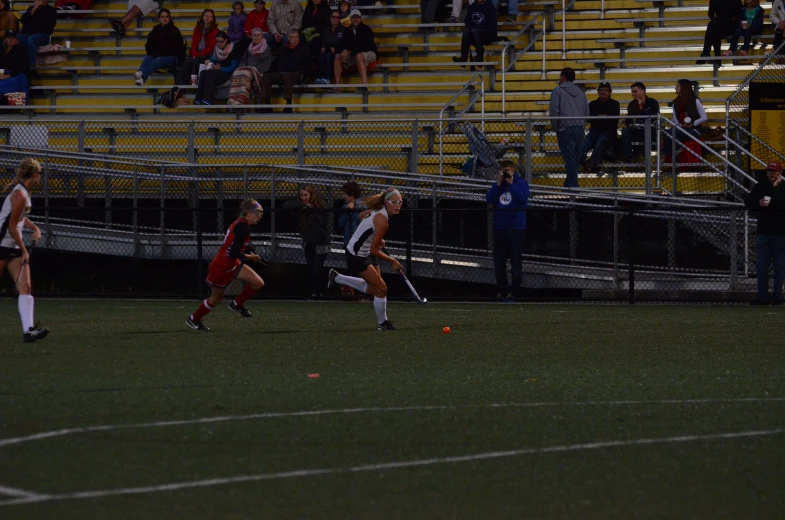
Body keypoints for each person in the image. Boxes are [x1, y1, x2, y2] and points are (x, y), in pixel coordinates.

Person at [328, 187, 404, 330]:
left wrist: (374, 235)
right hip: (356, 255)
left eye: (400, 202)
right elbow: (374, 250)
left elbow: (361, 215)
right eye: (394, 202)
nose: (398, 205)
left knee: (374, 289)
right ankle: (382, 324)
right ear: (386, 203)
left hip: (362, 252)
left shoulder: (378, 212)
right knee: (381, 288)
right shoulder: (383, 221)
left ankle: (337, 278)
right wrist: (392, 260)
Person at [187, 199, 266, 331]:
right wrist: (249, 256)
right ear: (248, 213)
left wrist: (249, 251)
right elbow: (234, 252)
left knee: (258, 283)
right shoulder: (243, 227)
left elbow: (238, 245)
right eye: (257, 213)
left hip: (232, 263)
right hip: (222, 266)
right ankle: (194, 319)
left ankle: (237, 304)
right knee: (216, 299)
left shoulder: (242, 225)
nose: (259, 216)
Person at [0, 158, 49, 342]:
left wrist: (34, 228)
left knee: (25, 287)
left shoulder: (25, 193)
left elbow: (20, 218)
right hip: (3, 243)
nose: (40, 178)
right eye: (40, 174)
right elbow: (12, 226)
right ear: (35, 175)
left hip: (12, 244)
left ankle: (28, 331)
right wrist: (24, 249)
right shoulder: (20, 194)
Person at [485, 160, 529, 298]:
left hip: (516, 229)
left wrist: (511, 183)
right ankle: (502, 289)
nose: (505, 172)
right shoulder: (498, 186)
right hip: (500, 228)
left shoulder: (521, 183)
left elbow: (523, 199)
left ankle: (515, 291)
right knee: (499, 262)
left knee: (515, 261)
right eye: (503, 169)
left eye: (508, 169)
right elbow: (489, 199)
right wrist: (498, 184)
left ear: (513, 170)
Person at [744, 162, 785, 303]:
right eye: (769, 171)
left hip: (780, 232)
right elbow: (748, 202)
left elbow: (780, 202)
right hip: (764, 232)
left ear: (780, 172)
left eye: (774, 171)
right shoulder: (760, 186)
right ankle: (763, 296)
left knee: (780, 266)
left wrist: (774, 189)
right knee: (762, 266)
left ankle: (778, 296)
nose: (771, 174)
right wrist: (758, 203)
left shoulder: (782, 187)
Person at [283, 184, 332, 297]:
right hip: (308, 241)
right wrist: (302, 205)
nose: (303, 197)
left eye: (306, 195)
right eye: (301, 195)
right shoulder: (301, 205)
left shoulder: (320, 204)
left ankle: (322, 291)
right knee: (310, 267)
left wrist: (311, 209)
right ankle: (314, 292)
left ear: (311, 195)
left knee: (317, 268)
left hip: (321, 241)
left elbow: (321, 221)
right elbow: (286, 205)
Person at [549, 67, 589, 188]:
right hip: (579, 128)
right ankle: (569, 186)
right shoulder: (581, 93)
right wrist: (582, 123)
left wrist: (556, 126)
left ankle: (572, 187)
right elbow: (586, 111)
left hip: (565, 128)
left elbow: (554, 110)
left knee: (570, 159)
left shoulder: (558, 91)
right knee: (575, 159)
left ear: (563, 77)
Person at [259, 29, 310, 112]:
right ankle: (267, 104)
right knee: (266, 76)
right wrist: (268, 72)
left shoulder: (304, 49)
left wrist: (302, 73)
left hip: (297, 74)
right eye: (292, 37)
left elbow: (307, 66)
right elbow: (275, 64)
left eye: (296, 37)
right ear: (288, 39)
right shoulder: (284, 50)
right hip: (281, 73)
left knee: (287, 77)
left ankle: (288, 104)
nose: (294, 39)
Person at [134, 9, 185, 86]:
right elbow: (149, 45)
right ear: (159, 19)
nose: (164, 18)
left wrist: (158, 54)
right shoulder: (155, 30)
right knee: (148, 58)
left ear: (169, 18)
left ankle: (141, 73)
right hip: (158, 55)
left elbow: (175, 49)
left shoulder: (174, 30)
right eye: (162, 17)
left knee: (159, 59)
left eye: (166, 17)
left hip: (171, 57)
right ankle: (142, 79)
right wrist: (152, 54)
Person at [580, 81, 620, 175]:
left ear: (610, 92)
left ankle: (592, 164)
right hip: (594, 131)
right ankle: (587, 164)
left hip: (609, 132)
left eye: (606, 90)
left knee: (600, 144)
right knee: (583, 147)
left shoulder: (615, 104)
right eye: (601, 90)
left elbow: (613, 120)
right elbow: (590, 119)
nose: (603, 92)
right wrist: (605, 116)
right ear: (598, 92)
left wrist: (598, 117)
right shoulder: (592, 104)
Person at [193, 31, 243, 105]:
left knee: (210, 73)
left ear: (226, 40)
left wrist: (221, 68)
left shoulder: (233, 50)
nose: (219, 44)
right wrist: (209, 61)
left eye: (221, 42)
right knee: (203, 72)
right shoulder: (216, 49)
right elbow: (214, 59)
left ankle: (208, 99)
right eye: (217, 41)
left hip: (227, 74)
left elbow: (233, 67)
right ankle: (198, 98)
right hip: (217, 71)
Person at [227, 27, 273, 106]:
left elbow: (266, 65)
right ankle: (233, 97)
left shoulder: (266, 49)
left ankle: (242, 99)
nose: (256, 37)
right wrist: (244, 68)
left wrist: (252, 70)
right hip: (247, 70)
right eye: (254, 35)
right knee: (237, 72)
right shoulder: (249, 48)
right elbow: (243, 60)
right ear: (251, 37)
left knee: (245, 74)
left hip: (259, 72)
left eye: (258, 35)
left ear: (262, 37)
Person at [663, 79, 707, 157]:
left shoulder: (695, 100)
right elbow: (675, 120)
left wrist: (692, 124)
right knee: (667, 132)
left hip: (695, 130)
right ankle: (675, 154)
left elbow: (704, 117)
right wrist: (680, 126)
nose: (675, 88)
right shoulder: (675, 103)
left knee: (671, 132)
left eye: (677, 86)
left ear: (684, 87)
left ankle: (666, 155)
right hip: (681, 129)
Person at [333, 10, 377, 88]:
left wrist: (351, 51)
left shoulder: (366, 29)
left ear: (360, 18)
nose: (355, 19)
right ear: (350, 19)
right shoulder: (347, 30)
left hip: (370, 53)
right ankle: (337, 86)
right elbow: (343, 44)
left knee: (359, 55)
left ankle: (364, 85)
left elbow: (367, 46)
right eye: (353, 17)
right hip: (354, 54)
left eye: (357, 17)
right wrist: (344, 51)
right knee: (338, 56)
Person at [176, 9, 219, 86]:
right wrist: (194, 54)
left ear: (212, 19)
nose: (207, 18)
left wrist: (198, 55)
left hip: (208, 54)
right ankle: (182, 85)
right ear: (202, 17)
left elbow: (211, 47)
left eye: (210, 16)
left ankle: (192, 82)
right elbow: (194, 43)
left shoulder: (215, 31)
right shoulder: (197, 29)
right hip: (196, 53)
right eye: (206, 16)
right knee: (187, 62)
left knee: (196, 61)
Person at [621, 81, 660, 160]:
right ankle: (629, 158)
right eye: (632, 92)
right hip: (637, 130)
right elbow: (628, 121)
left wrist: (641, 109)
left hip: (650, 130)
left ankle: (646, 158)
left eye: (635, 91)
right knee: (625, 130)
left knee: (648, 128)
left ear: (643, 91)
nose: (633, 94)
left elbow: (654, 118)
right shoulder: (631, 104)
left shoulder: (652, 102)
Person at [451, 0, 496, 66]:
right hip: (474, 32)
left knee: (476, 31)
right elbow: (467, 21)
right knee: (467, 31)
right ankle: (463, 58)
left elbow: (492, 24)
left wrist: (478, 28)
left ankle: (480, 56)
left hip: (486, 33)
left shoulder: (490, 7)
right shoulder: (472, 6)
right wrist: (471, 28)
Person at [18, 0, 56, 67]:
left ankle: (31, 65)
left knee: (31, 40)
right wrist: (34, 9)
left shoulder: (51, 10)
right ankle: (17, 64)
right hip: (27, 34)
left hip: (43, 35)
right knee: (16, 38)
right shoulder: (31, 8)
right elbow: (23, 20)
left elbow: (50, 25)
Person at [315, 10, 344, 84]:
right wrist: (324, 47)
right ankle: (321, 77)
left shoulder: (344, 30)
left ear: (340, 19)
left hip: (339, 52)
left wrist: (336, 49)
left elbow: (345, 44)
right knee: (321, 55)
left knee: (329, 56)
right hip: (328, 50)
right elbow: (324, 43)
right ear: (330, 19)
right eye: (333, 17)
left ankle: (327, 78)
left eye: (337, 17)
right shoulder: (326, 30)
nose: (335, 19)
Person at [0, 30, 30, 99]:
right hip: (4, 74)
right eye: (9, 38)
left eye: (13, 38)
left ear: (17, 40)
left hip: (17, 75)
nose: (11, 40)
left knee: (9, 83)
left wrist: (9, 75)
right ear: (5, 40)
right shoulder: (2, 50)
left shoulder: (21, 49)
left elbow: (23, 66)